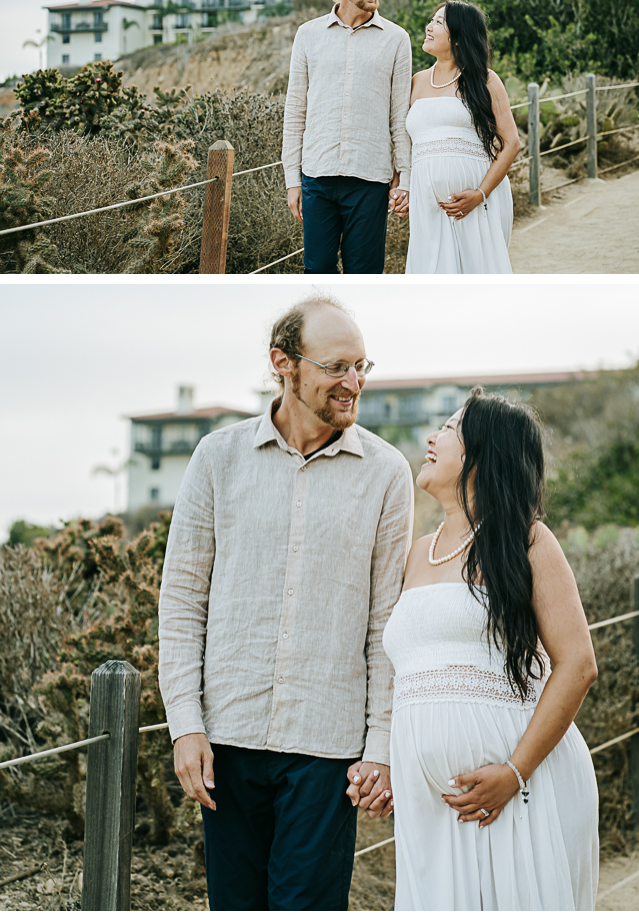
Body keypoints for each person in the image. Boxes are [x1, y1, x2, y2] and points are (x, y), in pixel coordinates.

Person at [158, 294, 414, 911]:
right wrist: (185, 725)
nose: (352, 383)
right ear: (284, 363)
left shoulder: (386, 472)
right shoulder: (217, 458)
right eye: (335, 367)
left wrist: (379, 747)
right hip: (229, 741)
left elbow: (386, 624)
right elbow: (182, 597)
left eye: (361, 366)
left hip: (327, 750)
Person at [382, 388, 600, 910]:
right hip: (430, 806)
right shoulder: (414, 554)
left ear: (484, 454)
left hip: (520, 792)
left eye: (451, 428)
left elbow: (578, 665)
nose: (432, 438)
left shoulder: (529, 541)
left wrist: (514, 773)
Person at [282, 0, 412, 274]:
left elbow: (400, 116)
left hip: (370, 179)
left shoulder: (397, 39)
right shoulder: (308, 35)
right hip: (317, 176)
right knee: (317, 269)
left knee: (365, 274)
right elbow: (296, 108)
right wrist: (291, 180)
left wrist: (405, 176)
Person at [400, 0, 522, 273]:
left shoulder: (485, 80)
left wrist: (480, 194)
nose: (428, 27)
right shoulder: (415, 82)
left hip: (477, 200)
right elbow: (403, 143)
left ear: (459, 36)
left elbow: (512, 143)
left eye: (438, 22)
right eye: (431, 20)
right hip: (426, 202)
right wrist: (403, 187)